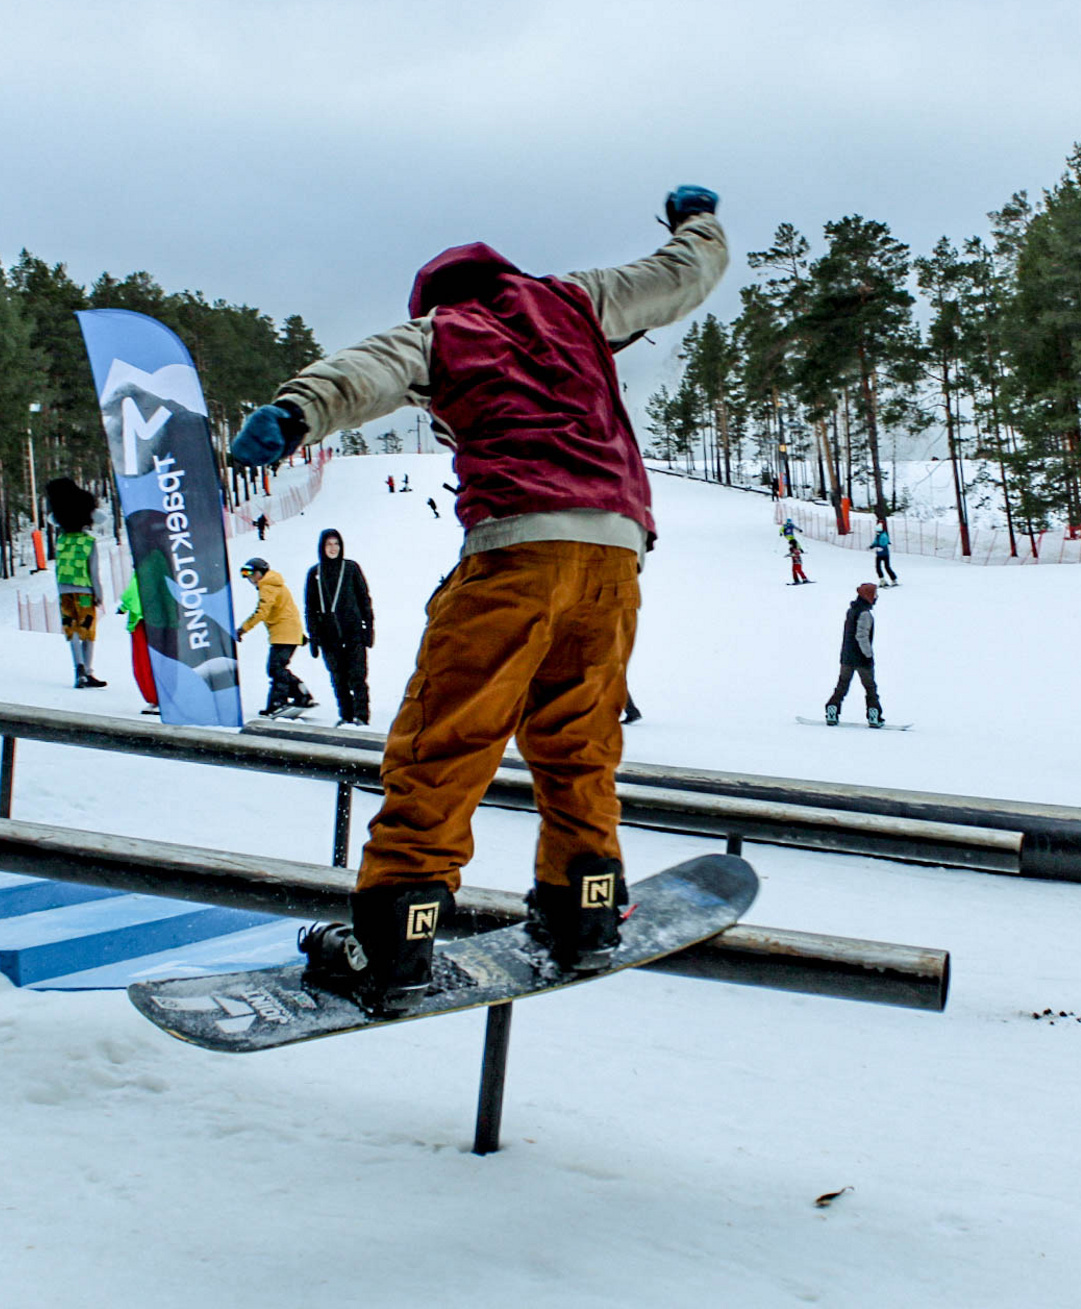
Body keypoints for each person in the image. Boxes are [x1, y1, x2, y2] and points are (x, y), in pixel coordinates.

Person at [226, 184, 726, 1013]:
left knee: (448, 734)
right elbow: (683, 274)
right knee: (579, 734)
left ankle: (394, 936)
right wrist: (698, 222)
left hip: (518, 545)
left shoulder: (444, 330)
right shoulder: (576, 301)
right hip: (615, 555)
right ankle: (585, 906)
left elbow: (370, 370)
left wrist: (296, 410)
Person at [303, 528, 375, 726]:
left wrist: (368, 629)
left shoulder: (351, 568)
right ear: (322, 547)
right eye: (329, 544)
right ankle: (346, 714)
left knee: (357, 676)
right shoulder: (315, 573)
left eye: (336, 544)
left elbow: (364, 599)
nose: (333, 548)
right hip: (329, 636)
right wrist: (314, 637)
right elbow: (310, 608)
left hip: (353, 632)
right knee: (338, 678)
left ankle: (361, 715)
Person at [47, 477, 108, 689]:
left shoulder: (62, 541)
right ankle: (88, 671)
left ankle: (78, 668)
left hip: (64, 589)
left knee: (71, 629)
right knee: (88, 631)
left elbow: (51, 518)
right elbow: (94, 571)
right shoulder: (88, 542)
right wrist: (98, 594)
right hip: (84, 590)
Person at [236, 556, 314, 717]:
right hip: (287, 632)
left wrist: (243, 628)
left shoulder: (267, 586)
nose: (251, 579)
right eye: (248, 576)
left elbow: (262, 612)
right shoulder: (275, 584)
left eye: (253, 574)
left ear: (262, 572)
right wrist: (298, 635)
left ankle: (280, 702)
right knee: (277, 668)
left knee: (276, 669)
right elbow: (288, 610)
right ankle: (300, 694)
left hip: (283, 634)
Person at [825, 582, 883, 728]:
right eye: (874, 594)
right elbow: (861, 636)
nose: (876, 597)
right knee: (870, 688)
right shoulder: (865, 614)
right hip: (862, 659)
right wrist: (868, 654)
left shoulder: (852, 610)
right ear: (868, 596)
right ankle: (873, 715)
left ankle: (832, 709)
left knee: (842, 686)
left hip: (847, 657)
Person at [118, 578, 161, 716]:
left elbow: (131, 594)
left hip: (142, 621)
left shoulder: (143, 569)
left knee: (144, 662)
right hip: (162, 621)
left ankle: (155, 699)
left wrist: (123, 606)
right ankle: (164, 697)